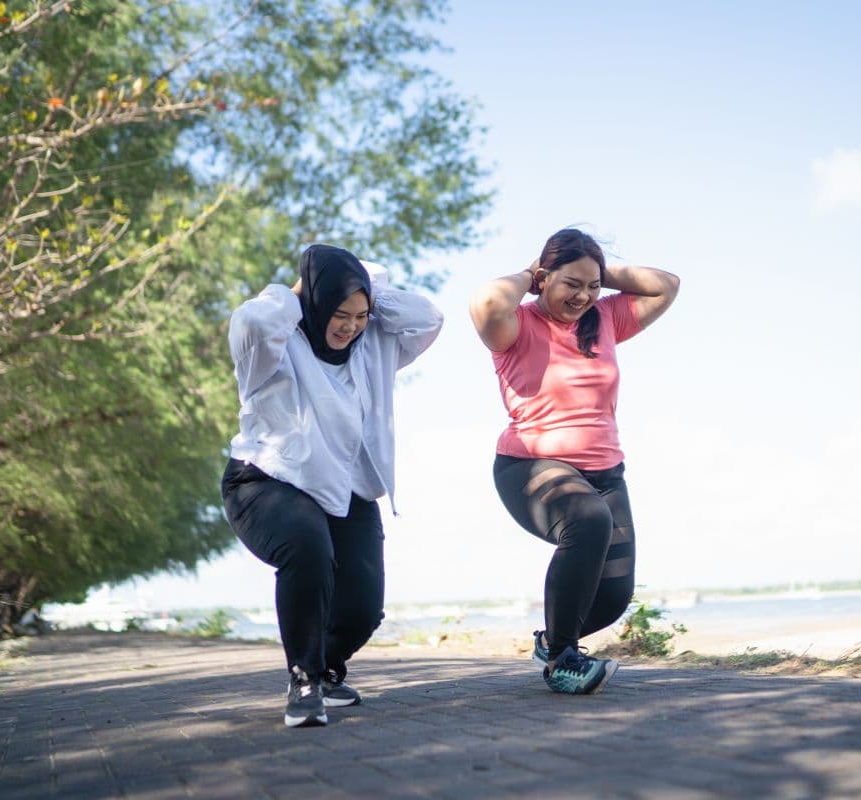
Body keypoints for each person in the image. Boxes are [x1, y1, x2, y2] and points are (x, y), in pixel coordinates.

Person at [221, 244, 443, 727]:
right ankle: (303, 679)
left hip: (345, 484)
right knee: (307, 547)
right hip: (267, 479)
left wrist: (368, 293)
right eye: (339, 313)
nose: (350, 326)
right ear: (314, 304)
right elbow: (254, 322)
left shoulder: (374, 345)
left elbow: (427, 318)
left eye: (360, 315)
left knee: (364, 607)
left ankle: (324, 669)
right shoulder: (273, 348)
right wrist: (299, 292)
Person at [469, 228, 680, 694]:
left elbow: (666, 284)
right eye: (572, 284)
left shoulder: (605, 318)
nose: (584, 295)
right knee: (587, 520)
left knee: (611, 597)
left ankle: (552, 640)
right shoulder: (516, 325)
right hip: (531, 466)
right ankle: (563, 662)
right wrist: (528, 275)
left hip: (606, 472)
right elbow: (486, 302)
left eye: (593, 285)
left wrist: (599, 271)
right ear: (544, 278)